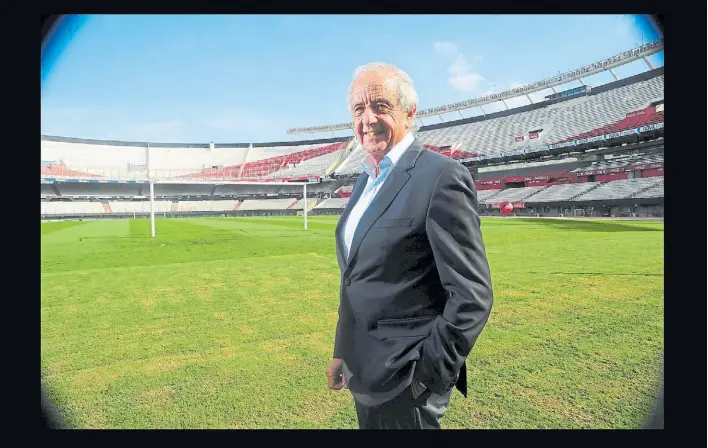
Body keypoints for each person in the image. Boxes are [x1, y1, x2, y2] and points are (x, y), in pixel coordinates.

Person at [326, 62, 494, 429]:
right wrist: (343, 351)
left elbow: (472, 296)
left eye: (380, 105)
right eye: (358, 109)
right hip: (363, 374)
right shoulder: (364, 181)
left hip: (407, 384)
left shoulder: (441, 177)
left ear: (409, 112)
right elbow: (354, 278)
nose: (367, 119)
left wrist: (425, 377)